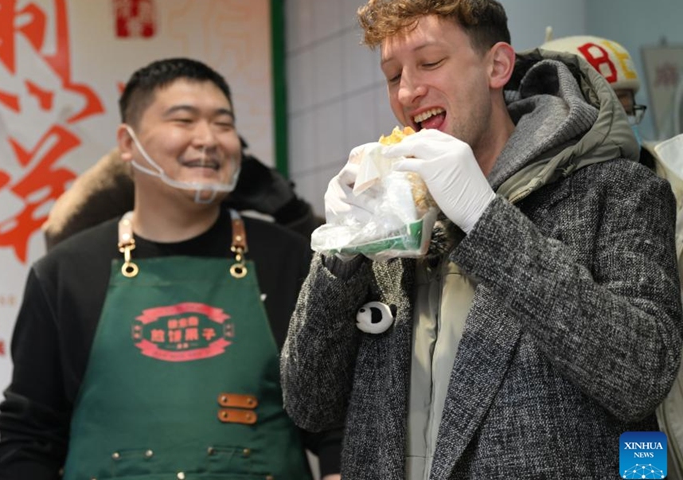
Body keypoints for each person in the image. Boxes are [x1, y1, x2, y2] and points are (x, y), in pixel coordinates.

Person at [280, 1, 682, 479]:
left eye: (430, 63)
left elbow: (641, 375)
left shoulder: (616, 191)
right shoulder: (392, 207)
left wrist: (485, 219)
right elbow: (310, 405)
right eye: (392, 75)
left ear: (497, 65)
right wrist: (341, 254)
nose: (408, 90)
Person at [0, 57, 341, 480]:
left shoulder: (290, 260)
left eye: (223, 124)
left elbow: (335, 423)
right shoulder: (64, 274)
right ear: (127, 142)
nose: (208, 139)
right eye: (184, 120)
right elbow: (29, 437)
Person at [541, 33, 683, 480]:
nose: (619, 119)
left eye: (627, 105)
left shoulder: (671, 179)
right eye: (605, 104)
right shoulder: (537, 197)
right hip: (606, 430)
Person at [41, 139, 322, 250]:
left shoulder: (242, 227)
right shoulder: (136, 174)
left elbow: (332, 259)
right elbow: (60, 232)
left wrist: (292, 212)